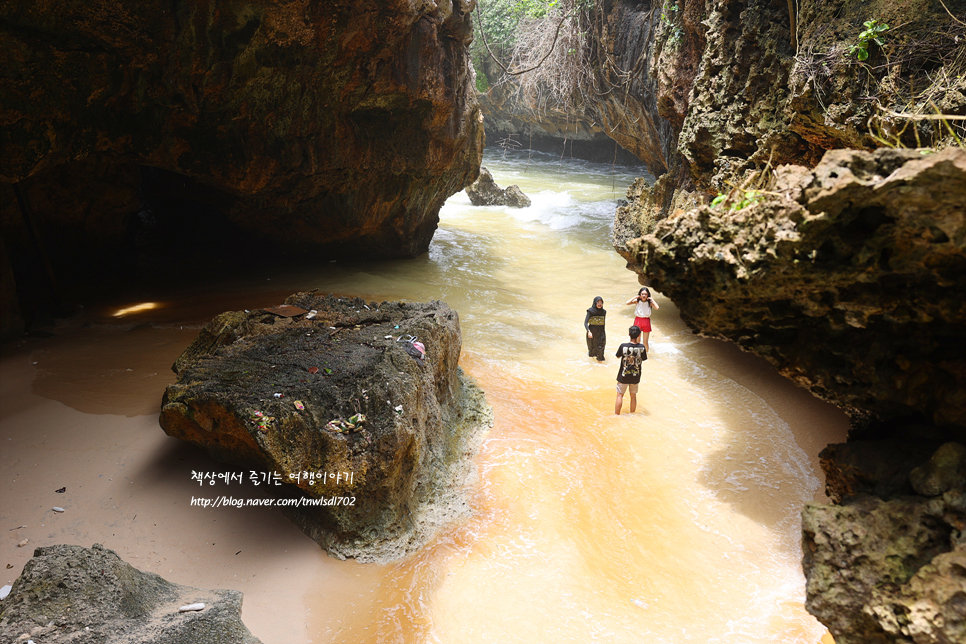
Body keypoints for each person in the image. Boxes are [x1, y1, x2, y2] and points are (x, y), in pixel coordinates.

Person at [615, 325, 647, 415]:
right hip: (635, 376)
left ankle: (616, 415)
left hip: (623, 376)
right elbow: (643, 358)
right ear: (639, 335)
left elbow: (618, 356)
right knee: (633, 396)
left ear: (629, 334)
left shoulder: (623, 346)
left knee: (620, 395)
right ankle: (632, 415)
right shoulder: (642, 347)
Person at [626, 286, 659, 352]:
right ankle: (638, 354)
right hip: (638, 320)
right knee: (637, 341)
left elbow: (657, 307)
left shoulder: (650, 303)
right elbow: (627, 303)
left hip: (646, 321)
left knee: (645, 342)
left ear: (648, 295)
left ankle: (646, 355)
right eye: (642, 294)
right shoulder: (637, 301)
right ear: (640, 295)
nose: (644, 295)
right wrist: (636, 297)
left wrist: (652, 299)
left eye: (645, 294)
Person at [584, 296, 606, 361]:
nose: (600, 304)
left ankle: (601, 367)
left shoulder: (604, 312)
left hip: (601, 333)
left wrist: (603, 334)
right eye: (598, 302)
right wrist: (588, 331)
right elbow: (585, 323)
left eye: (601, 302)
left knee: (601, 350)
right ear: (595, 303)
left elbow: (603, 324)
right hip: (592, 333)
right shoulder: (590, 311)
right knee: (592, 352)